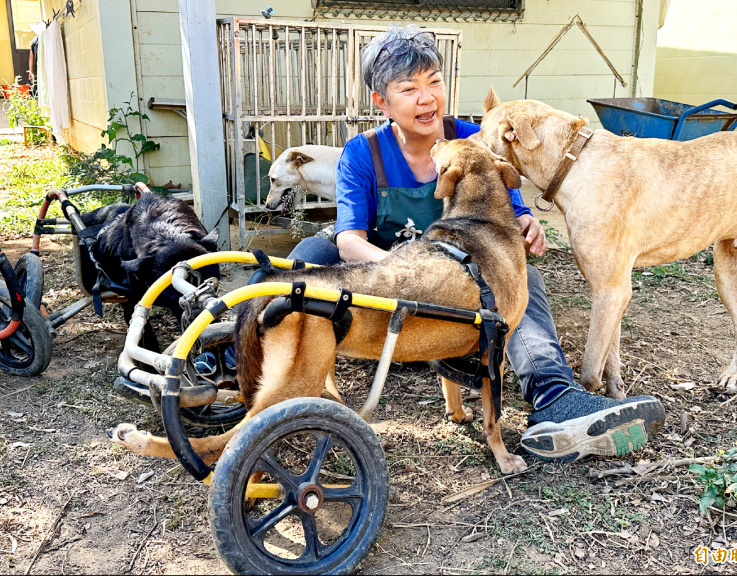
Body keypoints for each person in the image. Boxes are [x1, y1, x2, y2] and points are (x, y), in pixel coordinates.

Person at [276, 24, 665, 462]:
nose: (427, 98)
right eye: (408, 88)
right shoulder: (363, 152)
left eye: (434, 83)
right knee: (307, 260)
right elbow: (349, 239)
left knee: (526, 281)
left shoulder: (477, 139)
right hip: (386, 266)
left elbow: (514, 210)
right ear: (381, 101)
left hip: (463, 274)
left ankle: (555, 396)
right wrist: (402, 272)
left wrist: (527, 223)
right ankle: (241, 354)